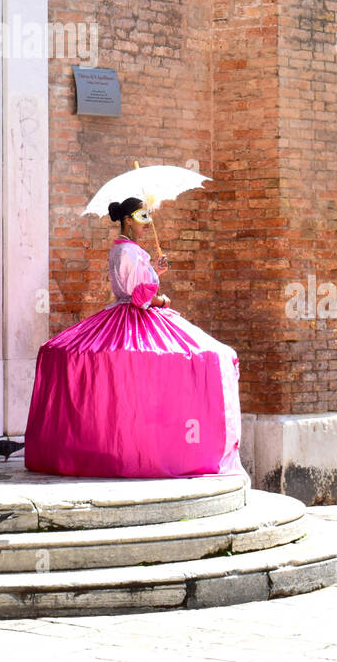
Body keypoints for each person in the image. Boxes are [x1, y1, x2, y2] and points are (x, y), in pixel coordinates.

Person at [24, 196, 246, 479]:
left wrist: (156, 271)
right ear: (128, 220)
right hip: (135, 317)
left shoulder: (124, 250)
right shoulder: (131, 252)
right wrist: (162, 300)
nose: (148, 222)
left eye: (149, 216)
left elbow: (135, 286)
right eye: (143, 217)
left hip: (122, 311)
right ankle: (162, 449)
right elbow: (142, 297)